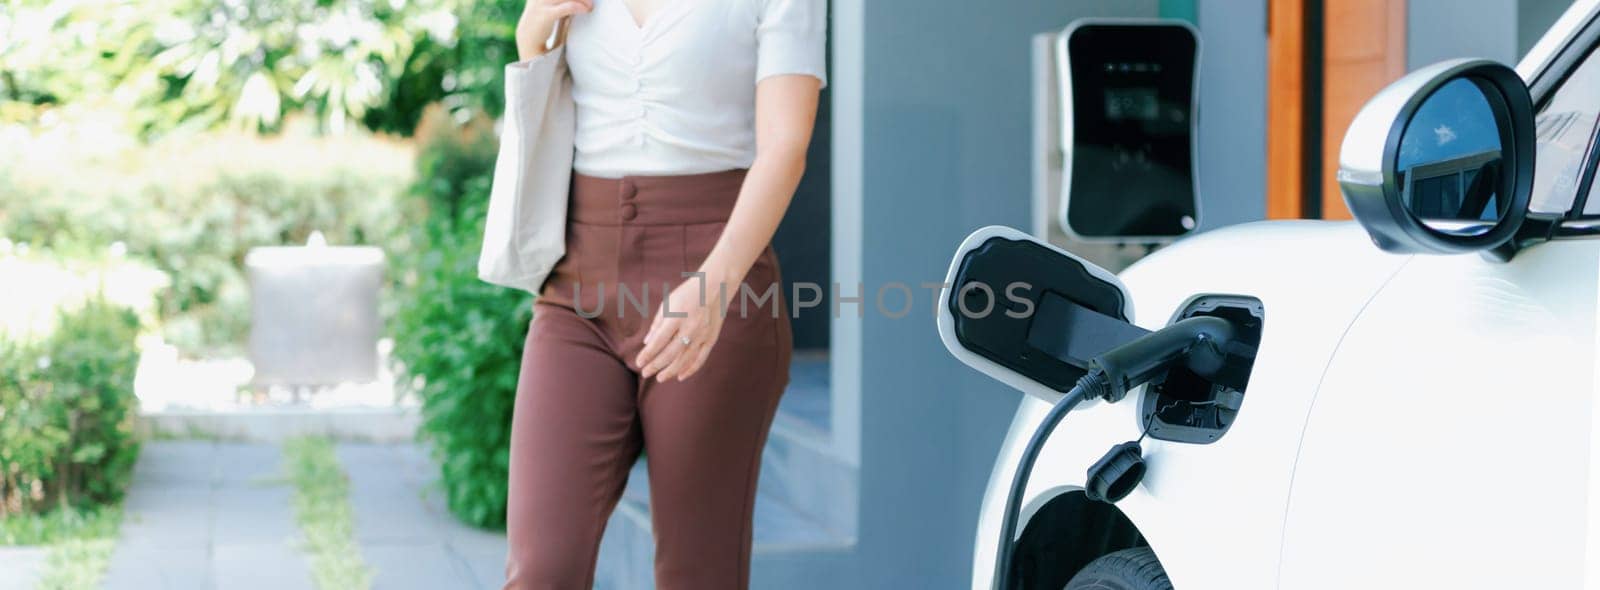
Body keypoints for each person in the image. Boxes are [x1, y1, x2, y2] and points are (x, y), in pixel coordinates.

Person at [500, 0, 825, 587]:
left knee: (697, 571)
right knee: (541, 568)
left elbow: (786, 147)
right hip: (579, 284)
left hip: (716, 273)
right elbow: (561, 119)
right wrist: (533, 42)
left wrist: (713, 285)